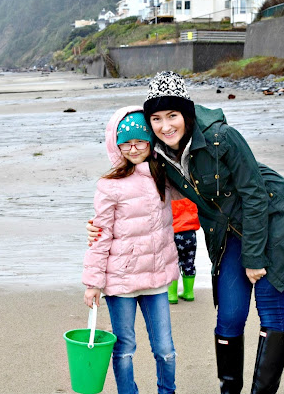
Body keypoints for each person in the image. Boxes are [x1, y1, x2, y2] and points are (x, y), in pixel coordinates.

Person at [88, 72, 284, 394]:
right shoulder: (159, 157)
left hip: (272, 222)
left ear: (187, 113)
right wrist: (101, 224)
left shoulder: (222, 137)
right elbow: (142, 192)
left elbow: (254, 194)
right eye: (156, 118)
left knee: (271, 310)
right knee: (230, 316)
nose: (166, 126)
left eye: (172, 115)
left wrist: (254, 257)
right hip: (228, 234)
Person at [83, 106, 180, 394]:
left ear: (151, 142)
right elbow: (101, 236)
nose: (134, 148)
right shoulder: (109, 185)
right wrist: (93, 283)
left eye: (140, 141)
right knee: (124, 348)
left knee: (165, 350)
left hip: (155, 279)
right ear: (117, 145)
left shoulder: (165, 176)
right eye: (126, 143)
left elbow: (196, 185)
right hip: (120, 282)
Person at [168, 198, 200, 304]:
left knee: (173, 263)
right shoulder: (190, 197)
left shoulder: (171, 198)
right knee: (189, 263)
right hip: (190, 235)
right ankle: (189, 292)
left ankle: (172, 294)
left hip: (174, 234)